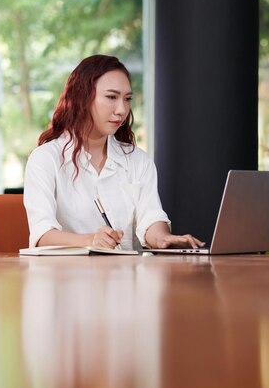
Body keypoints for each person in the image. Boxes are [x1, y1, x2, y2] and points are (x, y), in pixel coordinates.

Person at [24, 54, 204, 250]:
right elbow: (42, 233)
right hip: (69, 276)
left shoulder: (138, 160)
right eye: (111, 97)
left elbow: (151, 217)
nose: (122, 110)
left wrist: (162, 238)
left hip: (126, 277)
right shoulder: (45, 159)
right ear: (82, 98)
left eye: (127, 99)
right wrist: (90, 240)